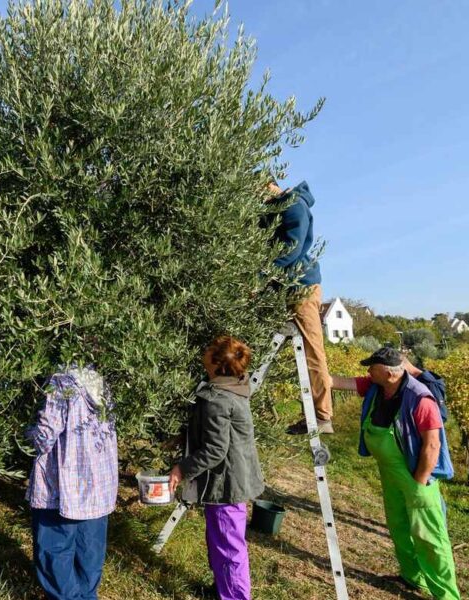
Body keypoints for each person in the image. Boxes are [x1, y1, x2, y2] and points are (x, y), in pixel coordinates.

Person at [331, 347, 460, 600]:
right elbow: (336, 382)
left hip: (416, 477)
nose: (367, 370)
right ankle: (413, 578)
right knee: (399, 526)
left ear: (390, 373)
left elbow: (432, 445)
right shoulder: (376, 388)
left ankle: (446, 595)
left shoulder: (420, 399)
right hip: (389, 473)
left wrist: (419, 482)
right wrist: (314, 369)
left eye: (372, 367)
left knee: (430, 538)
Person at [169, 335, 264, 600]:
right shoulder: (233, 387)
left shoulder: (218, 399)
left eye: (210, 349)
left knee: (229, 545)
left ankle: (234, 596)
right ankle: (222, 588)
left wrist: (182, 469)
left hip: (227, 483)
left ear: (217, 362)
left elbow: (215, 450)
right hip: (231, 478)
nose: (205, 351)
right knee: (220, 539)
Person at [26, 365, 118, 600]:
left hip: (64, 486)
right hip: (98, 485)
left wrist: (24, 431)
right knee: (89, 551)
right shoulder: (100, 378)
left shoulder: (61, 381)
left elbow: (45, 437)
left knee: (54, 549)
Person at [265, 180, 334, 434]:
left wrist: (260, 277)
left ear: (269, 184)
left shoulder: (294, 206)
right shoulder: (273, 209)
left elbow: (291, 250)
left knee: (312, 350)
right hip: (285, 288)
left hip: (302, 287)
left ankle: (322, 416)